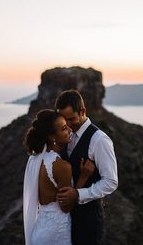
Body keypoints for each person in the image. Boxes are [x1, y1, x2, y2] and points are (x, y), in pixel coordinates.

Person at [23, 109, 95, 245]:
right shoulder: (62, 166)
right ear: (52, 137)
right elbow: (66, 207)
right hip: (56, 233)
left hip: (39, 230)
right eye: (63, 128)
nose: (69, 130)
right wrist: (83, 177)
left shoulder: (36, 158)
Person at [55, 89, 118, 245]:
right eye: (64, 120)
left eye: (71, 119)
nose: (67, 125)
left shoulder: (100, 140)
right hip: (65, 218)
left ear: (82, 111)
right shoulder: (65, 135)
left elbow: (111, 182)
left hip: (88, 220)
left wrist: (78, 194)